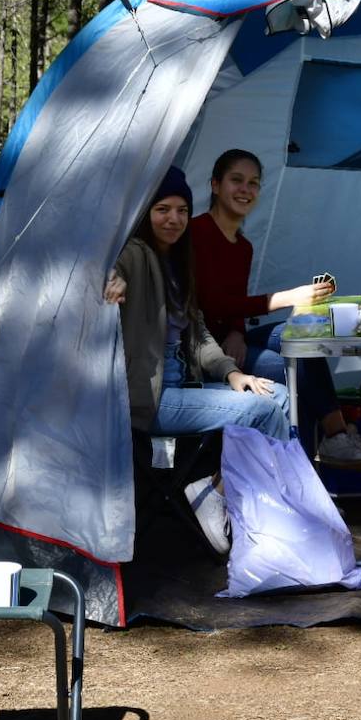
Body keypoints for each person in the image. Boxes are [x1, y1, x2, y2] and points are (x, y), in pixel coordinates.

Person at [104, 166, 294, 554]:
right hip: (152, 397)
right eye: (162, 209)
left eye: (181, 210)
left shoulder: (175, 261)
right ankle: (270, 519)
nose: (173, 219)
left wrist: (232, 372)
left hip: (183, 385)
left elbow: (199, 333)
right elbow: (100, 270)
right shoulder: (134, 255)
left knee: (281, 396)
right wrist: (109, 278)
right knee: (261, 411)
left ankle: (220, 490)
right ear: (145, 213)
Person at [189, 149, 361, 471]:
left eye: (253, 183)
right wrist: (287, 296)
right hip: (204, 349)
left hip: (233, 340)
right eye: (236, 180)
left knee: (300, 334)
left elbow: (234, 301)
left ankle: (329, 444)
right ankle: (326, 448)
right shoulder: (197, 232)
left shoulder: (243, 246)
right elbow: (209, 303)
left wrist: (238, 330)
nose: (245, 190)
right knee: (295, 371)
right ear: (214, 185)